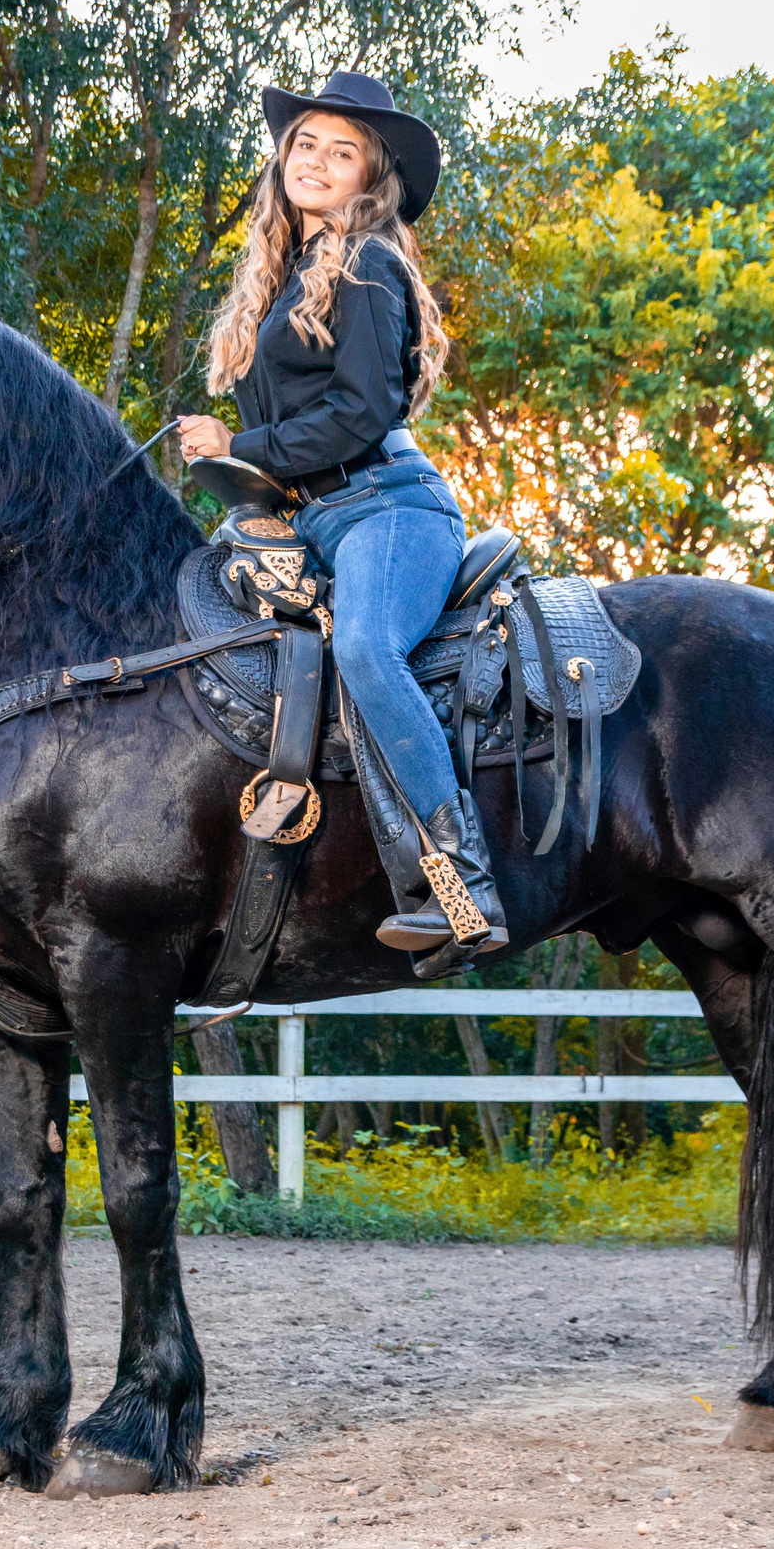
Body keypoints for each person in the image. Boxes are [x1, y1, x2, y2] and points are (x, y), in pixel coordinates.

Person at [176, 71, 507, 964]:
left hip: (388, 510)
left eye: (342, 150)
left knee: (364, 647)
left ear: (371, 177)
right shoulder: (282, 279)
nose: (317, 161)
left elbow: (363, 412)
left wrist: (245, 440)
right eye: (305, 144)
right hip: (315, 519)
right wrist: (227, 460)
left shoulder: (368, 263)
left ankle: (460, 880)